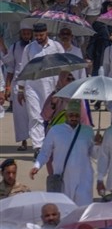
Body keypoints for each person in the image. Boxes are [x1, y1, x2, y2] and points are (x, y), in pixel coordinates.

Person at [16, 23, 67, 154]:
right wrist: (21, 89)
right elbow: (23, 69)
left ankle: (52, 145)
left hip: (52, 88)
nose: (38, 37)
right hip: (32, 87)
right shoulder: (29, 48)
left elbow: (65, 67)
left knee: (52, 117)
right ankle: (38, 147)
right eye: (36, 35)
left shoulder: (57, 47)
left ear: (47, 33)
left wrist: (64, 87)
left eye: (41, 35)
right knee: (35, 116)